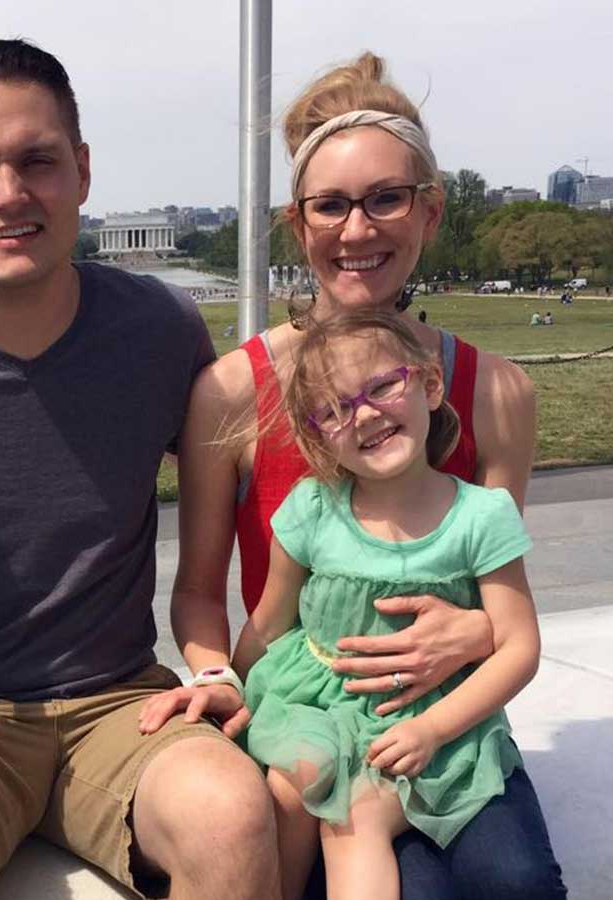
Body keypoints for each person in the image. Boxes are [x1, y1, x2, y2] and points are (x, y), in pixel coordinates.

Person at [0, 38, 277, 900]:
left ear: (81, 170)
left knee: (230, 814)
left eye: (37, 161)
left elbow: (268, 490)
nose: (9, 195)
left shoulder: (160, 329)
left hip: (120, 701)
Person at [152, 51, 565, 898]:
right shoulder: (233, 390)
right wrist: (221, 679)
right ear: (298, 223)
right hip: (314, 714)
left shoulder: (495, 389)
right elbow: (198, 593)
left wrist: (480, 635)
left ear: (431, 210)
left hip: (445, 719)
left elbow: (495, 587)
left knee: (516, 885)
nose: (358, 229)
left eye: (387, 198)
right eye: (330, 205)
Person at [230, 311, 542, 900]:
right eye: (334, 409)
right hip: (317, 701)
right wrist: (227, 688)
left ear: (428, 385)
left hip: (434, 713)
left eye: (381, 387)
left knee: (367, 815)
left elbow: (519, 645)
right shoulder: (312, 509)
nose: (365, 414)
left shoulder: (481, 516)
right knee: (294, 779)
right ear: (317, 433)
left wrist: (432, 728)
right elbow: (269, 620)